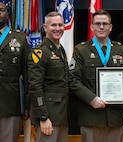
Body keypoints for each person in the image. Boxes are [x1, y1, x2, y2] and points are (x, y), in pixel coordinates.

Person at [69, 9, 123, 142]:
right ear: (92, 27)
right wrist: (92, 99)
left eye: (105, 23)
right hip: (90, 116)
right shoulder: (81, 50)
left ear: (111, 27)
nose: (101, 27)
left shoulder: (121, 50)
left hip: (115, 116)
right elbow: (73, 80)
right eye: (98, 23)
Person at [28, 11, 69, 142]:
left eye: (61, 25)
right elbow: (35, 86)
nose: (58, 29)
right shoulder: (40, 51)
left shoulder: (60, 49)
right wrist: (43, 117)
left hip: (61, 116)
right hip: (48, 117)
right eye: (53, 25)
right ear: (45, 27)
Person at [0, 1, 31, 142]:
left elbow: (28, 73)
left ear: (7, 14)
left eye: (1, 10)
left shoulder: (20, 38)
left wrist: (27, 105)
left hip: (11, 103)